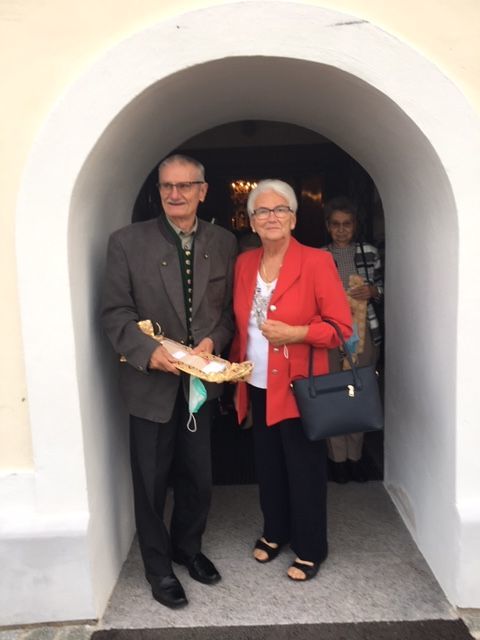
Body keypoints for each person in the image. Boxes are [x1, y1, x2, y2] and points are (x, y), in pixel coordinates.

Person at [101, 154, 237, 608]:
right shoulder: (126, 242)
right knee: (151, 482)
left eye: (184, 186)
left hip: (200, 385)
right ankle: (158, 568)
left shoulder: (223, 241)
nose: (174, 194)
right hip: (150, 384)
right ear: (158, 190)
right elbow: (115, 312)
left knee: (199, 476)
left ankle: (187, 548)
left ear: (203, 190)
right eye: (166, 186)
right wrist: (147, 353)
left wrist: (214, 340)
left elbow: (226, 312)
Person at [230, 179, 352, 581]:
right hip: (257, 383)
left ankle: (311, 547)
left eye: (280, 209)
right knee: (268, 466)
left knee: (304, 470)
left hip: (301, 386)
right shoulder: (244, 263)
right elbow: (241, 325)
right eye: (262, 211)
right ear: (251, 221)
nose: (272, 217)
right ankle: (275, 531)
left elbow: (341, 328)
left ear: (294, 218)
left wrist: (296, 333)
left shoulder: (317, 262)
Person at [323, 196, 384, 484]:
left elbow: (386, 286)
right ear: (328, 226)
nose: (341, 230)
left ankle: (356, 457)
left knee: (358, 394)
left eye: (346, 224)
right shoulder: (319, 256)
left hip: (364, 333)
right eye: (335, 224)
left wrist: (372, 291)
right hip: (329, 335)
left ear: (355, 225)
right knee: (334, 395)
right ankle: (337, 459)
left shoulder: (369, 252)